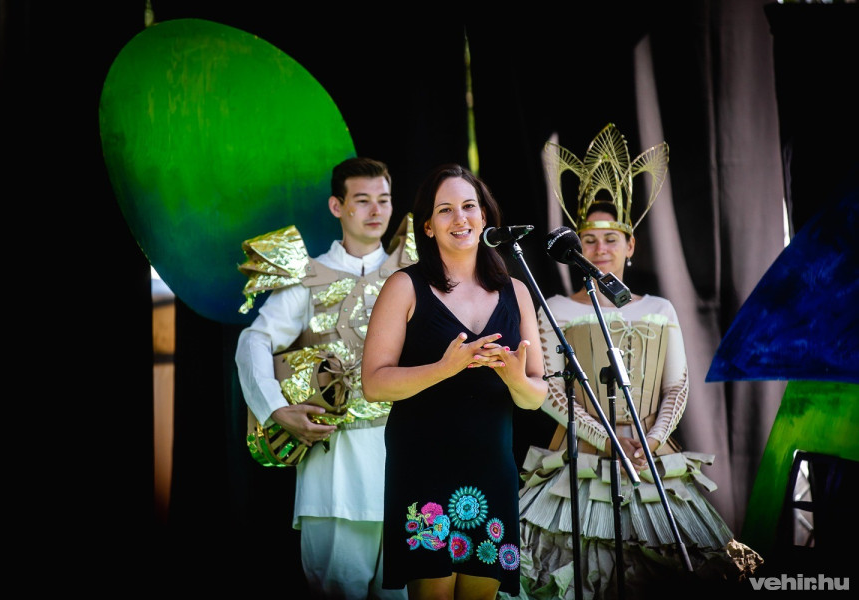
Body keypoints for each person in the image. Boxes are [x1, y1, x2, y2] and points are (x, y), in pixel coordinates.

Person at [514, 125, 762, 600]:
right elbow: (550, 386)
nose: (599, 248)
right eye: (587, 239)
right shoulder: (555, 308)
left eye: (611, 238)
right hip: (580, 457)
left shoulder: (660, 309)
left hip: (653, 456)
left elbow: (678, 386)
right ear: (575, 250)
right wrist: (605, 440)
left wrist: (648, 441)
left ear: (631, 245)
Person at [361, 163, 549, 600]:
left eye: (469, 206)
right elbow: (374, 384)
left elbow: (534, 397)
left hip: (492, 469)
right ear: (427, 226)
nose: (460, 219)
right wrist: (445, 368)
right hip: (423, 467)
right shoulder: (404, 287)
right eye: (445, 210)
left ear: (485, 215)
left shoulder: (516, 291)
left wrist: (515, 377)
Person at [235, 157, 412, 600]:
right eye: (363, 200)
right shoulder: (306, 277)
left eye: (384, 200)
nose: (376, 211)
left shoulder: (414, 275)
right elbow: (254, 340)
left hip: (409, 460)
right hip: (334, 470)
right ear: (337, 206)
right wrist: (275, 410)